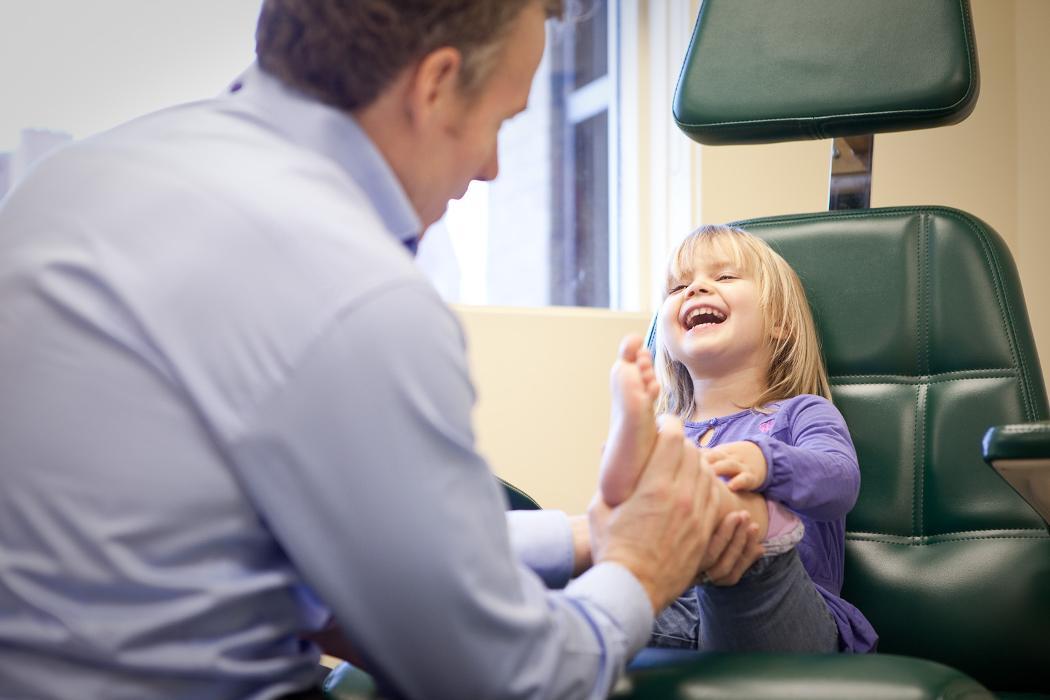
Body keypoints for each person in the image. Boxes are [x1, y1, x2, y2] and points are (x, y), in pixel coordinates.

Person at [0, 2, 763, 699]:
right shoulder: (353, 290)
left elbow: (305, 543)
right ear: (434, 85)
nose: (492, 167)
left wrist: (585, 536)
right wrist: (640, 568)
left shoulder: (69, 182)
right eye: (501, 121)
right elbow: (512, 683)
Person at [598, 224, 879, 652]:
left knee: (736, 524)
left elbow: (841, 482)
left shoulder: (801, 413)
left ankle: (735, 513)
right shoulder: (666, 432)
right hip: (677, 608)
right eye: (678, 286)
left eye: (725, 277)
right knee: (582, 583)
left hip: (782, 608)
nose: (696, 290)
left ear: (781, 323)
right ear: (667, 343)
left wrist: (765, 463)